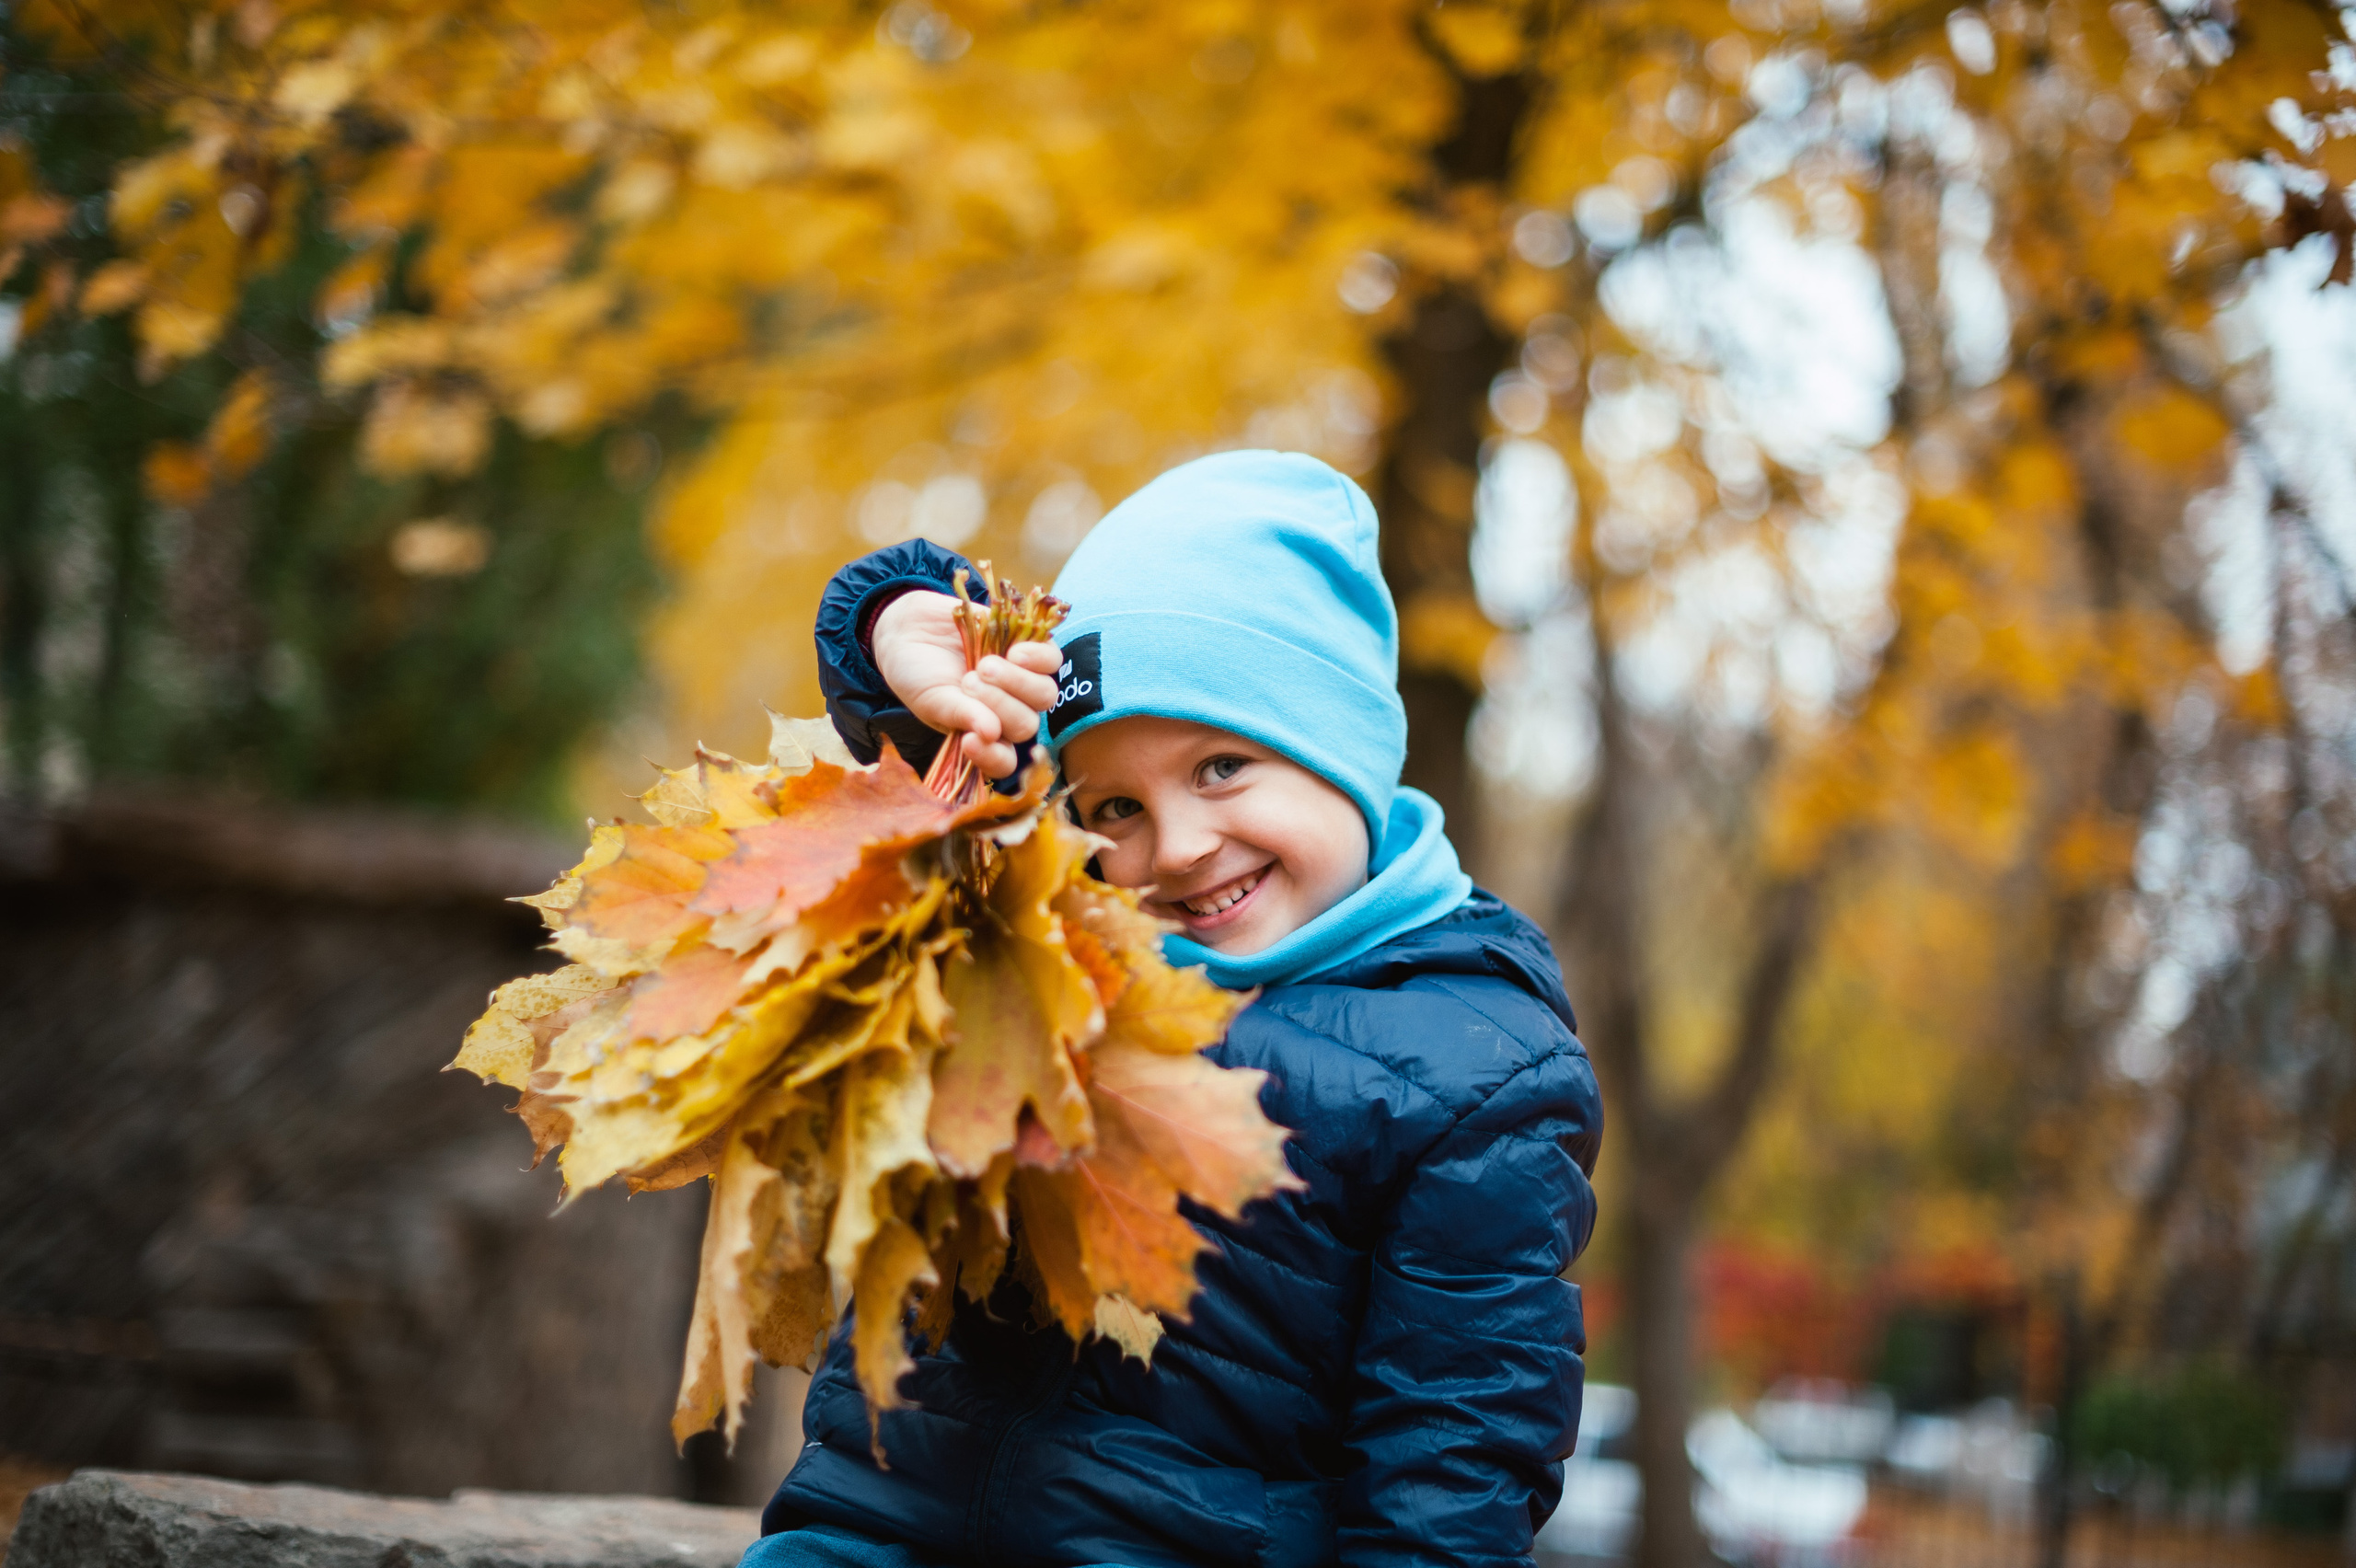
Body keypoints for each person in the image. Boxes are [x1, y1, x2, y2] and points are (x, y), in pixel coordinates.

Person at [745, 450, 1601, 1568]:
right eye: (1112, 805)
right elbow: (945, 777)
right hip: (875, 1529)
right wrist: (919, 637)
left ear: (1342, 752)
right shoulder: (1051, 942)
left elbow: (1452, 1466)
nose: (1176, 848)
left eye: (1222, 767)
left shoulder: (1473, 1071)